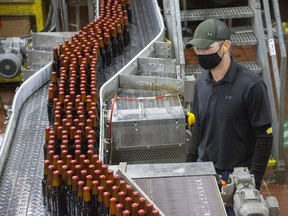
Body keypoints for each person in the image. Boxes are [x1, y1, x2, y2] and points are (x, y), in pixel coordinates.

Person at [185, 18, 273, 215]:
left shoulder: (251, 86)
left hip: (237, 177)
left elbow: (264, 136)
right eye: (197, 49)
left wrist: (254, 182)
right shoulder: (201, 84)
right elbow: (198, 125)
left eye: (206, 48)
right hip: (205, 169)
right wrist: (190, 166)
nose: (200, 54)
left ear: (226, 45)